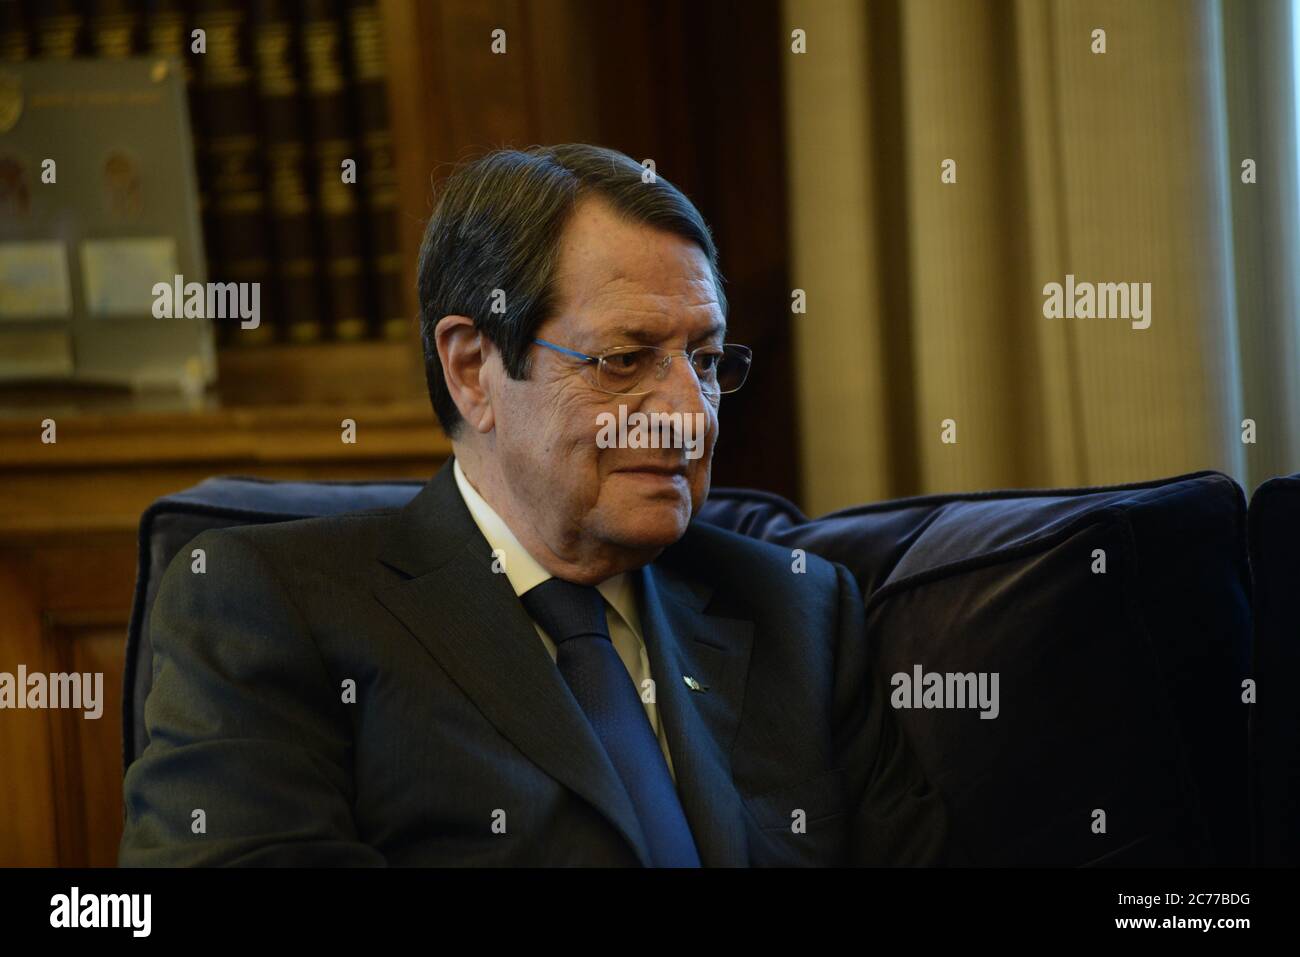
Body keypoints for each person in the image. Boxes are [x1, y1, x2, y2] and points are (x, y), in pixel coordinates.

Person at [119, 144, 960, 866]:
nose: (689, 415)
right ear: (473, 369)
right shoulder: (275, 608)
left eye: (704, 360)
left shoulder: (800, 612)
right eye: (626, 360)